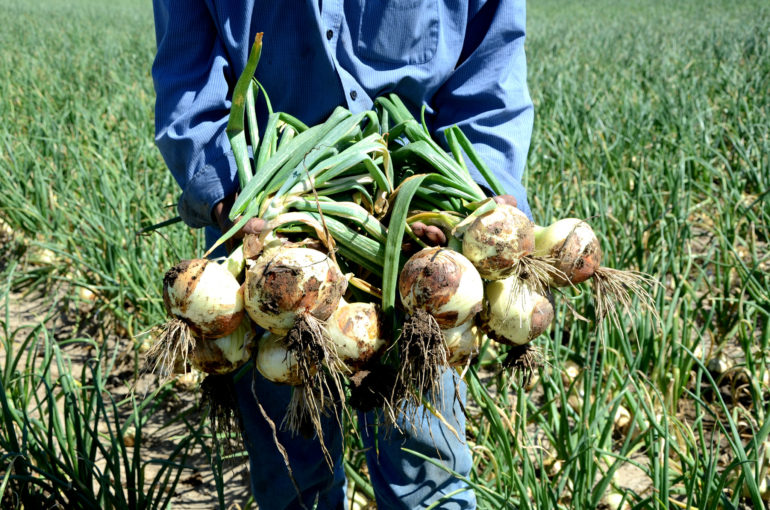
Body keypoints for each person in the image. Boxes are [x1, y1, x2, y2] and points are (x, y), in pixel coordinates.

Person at [151, 1, 533, 508]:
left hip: (420, 254)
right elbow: (188, 74)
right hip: (270, 257)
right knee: (291, 476)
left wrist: (471, 197)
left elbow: (489, 73)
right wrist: (227, 196)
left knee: (426, 476)